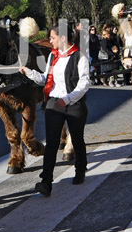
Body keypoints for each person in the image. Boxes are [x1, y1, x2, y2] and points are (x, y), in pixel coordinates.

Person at [19, 24, 91, 196]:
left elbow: (84, 83)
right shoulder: (53, 56)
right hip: (54, 103)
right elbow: (46, 79)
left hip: (74, 103)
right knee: (51, 143)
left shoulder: (79, 57)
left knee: (78, 140)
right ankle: (46, 181)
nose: (50, 41)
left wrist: (67, 99)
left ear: (63, 38)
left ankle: (80, 170)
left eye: (52, 37)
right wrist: (29, 73)